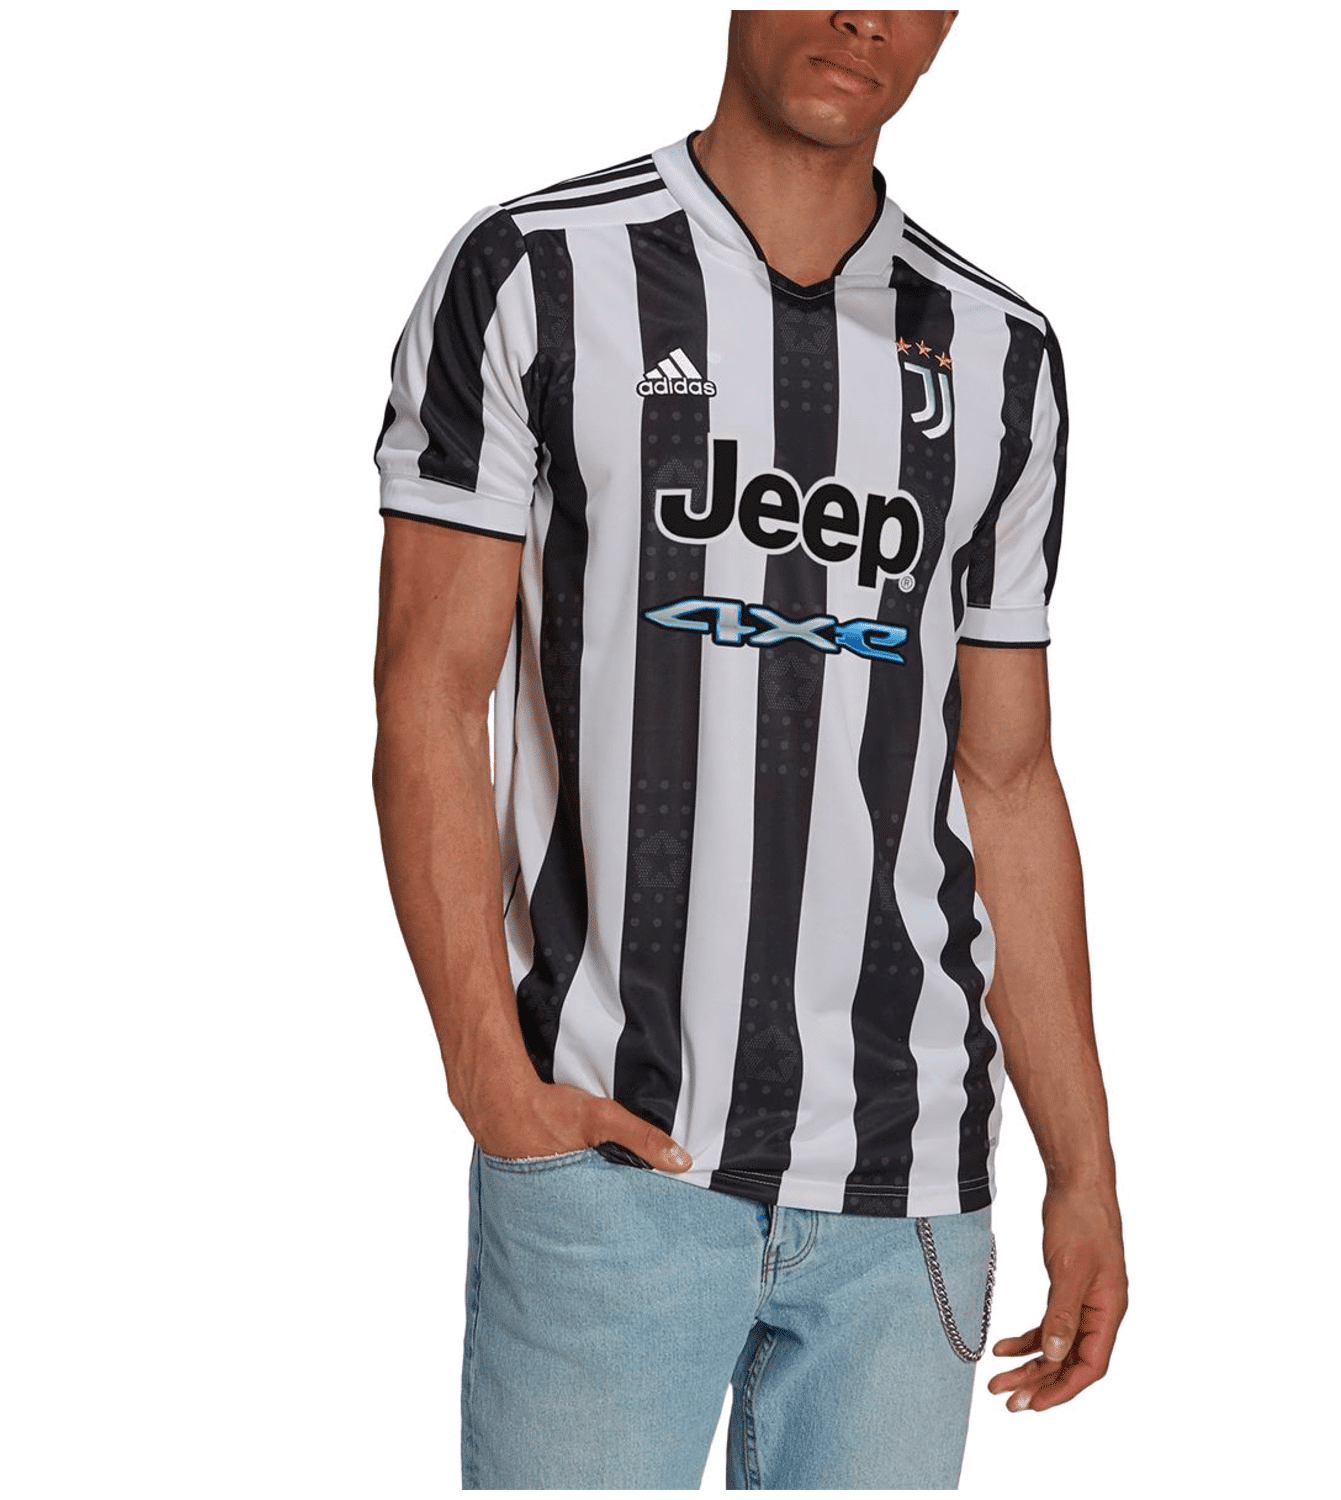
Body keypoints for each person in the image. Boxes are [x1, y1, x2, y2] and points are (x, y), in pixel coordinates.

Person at [373, 9, 1125, 1491]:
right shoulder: (537, 271)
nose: (864, 16)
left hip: (911, 1192)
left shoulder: (1002, 356)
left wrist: (1085, 1166)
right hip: (607, 1161)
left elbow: (1008, 777)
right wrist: (489, 1082)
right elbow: (427, 694)